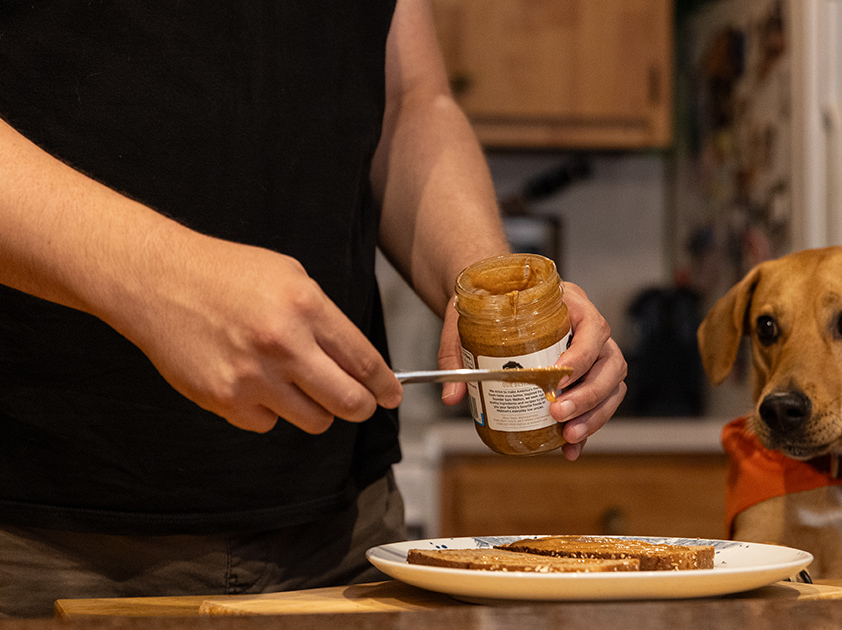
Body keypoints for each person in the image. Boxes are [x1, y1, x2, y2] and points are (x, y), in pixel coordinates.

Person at [0, 0, 627, 617]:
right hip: (34, 543)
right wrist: (158, 277)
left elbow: (410, 106)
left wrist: (489, 291)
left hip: (343, 538)